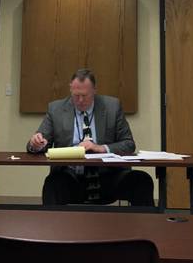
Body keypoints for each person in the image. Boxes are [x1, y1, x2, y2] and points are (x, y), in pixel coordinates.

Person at [27, 68, 154, 206]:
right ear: (70, 89)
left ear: (94, 90)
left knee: (142, 180)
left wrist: (100, 148)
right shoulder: (56, 109)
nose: (80, 100)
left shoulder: (112, 107)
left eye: (85, 95)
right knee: (53, 184)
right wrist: (35, 144)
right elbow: (40, 141)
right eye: (76, 95)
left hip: (109, 175)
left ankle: (144, 226)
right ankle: (53, 227)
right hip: (71, 176)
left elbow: (129, 144)